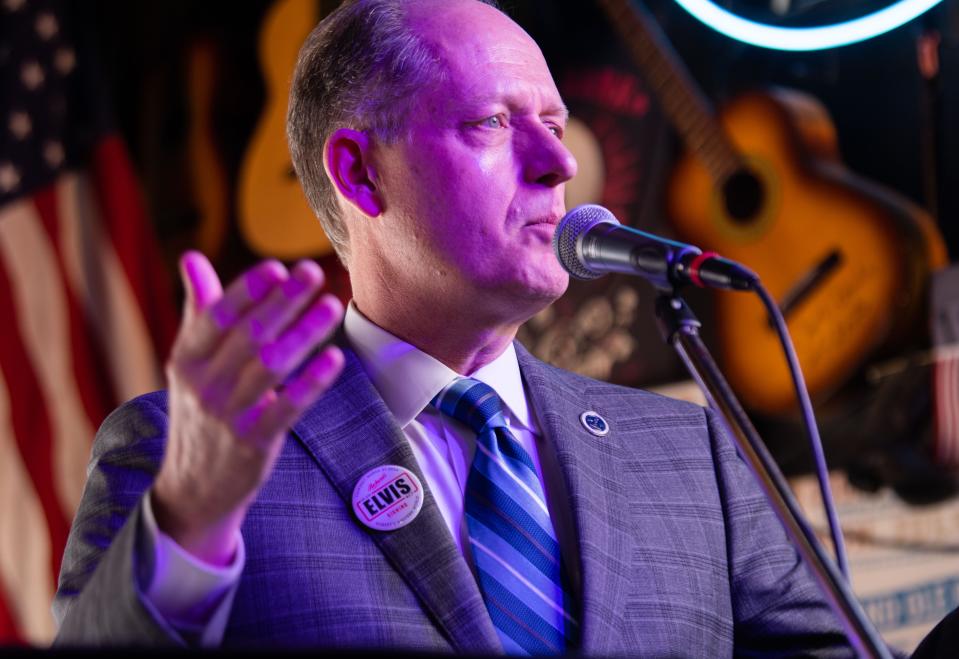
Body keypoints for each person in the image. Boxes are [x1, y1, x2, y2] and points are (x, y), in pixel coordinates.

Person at [53, 0, 854, 654]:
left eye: (555, 117)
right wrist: (190, 518)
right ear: (361, 173)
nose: (559, 161)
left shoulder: (690, 455)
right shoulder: (182, 462)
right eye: (494, 125)